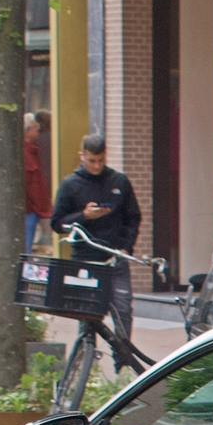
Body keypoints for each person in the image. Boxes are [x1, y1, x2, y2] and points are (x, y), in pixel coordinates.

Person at [52, 132, 144, 341]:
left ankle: (122, 362)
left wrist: (126, 247)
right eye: (91, 161)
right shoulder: (70, 185)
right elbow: (57, 223)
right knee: (87, 314)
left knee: (123, 311)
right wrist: (83, 216)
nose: (96, 166)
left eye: (101, 160)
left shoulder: (118, 181)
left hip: (114, 257)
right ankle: (86, 357)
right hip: (85, 258)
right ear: (82, 156)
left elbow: (133, 217)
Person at [24, 113, 50, 254]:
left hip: (31, 210)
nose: (38, 129)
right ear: (27, 131)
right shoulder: (26, 153)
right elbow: (33, 186)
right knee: (25, 250)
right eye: (35, 127)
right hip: (29, 211)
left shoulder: (32, 152)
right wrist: (43, 210)